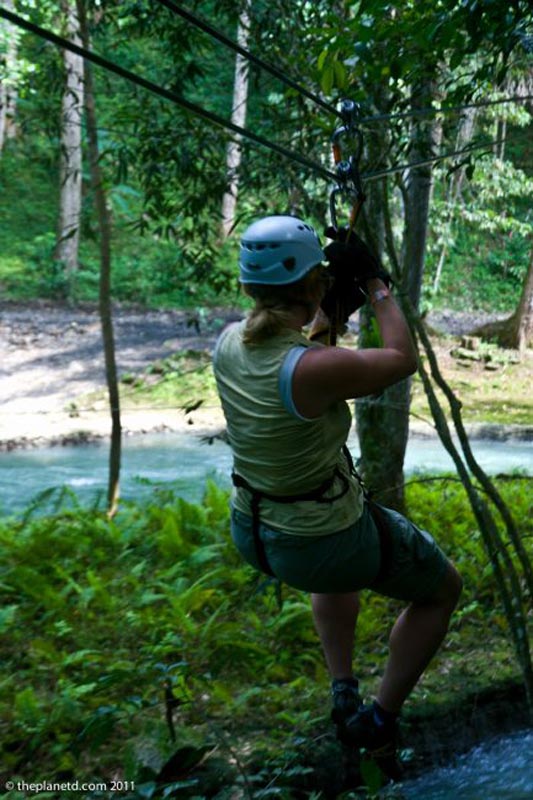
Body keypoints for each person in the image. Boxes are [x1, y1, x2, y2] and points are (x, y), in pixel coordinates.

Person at [212, 215, 462, 780]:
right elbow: (401, 360)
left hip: (254, 527)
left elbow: (299, 353)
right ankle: (380, 718)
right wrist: (375, 286)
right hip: (318, 539)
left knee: (335, 570)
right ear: (309, 286)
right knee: (442, 590)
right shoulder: (311, 368)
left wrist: (328, 312)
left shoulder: (229, 342)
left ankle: (343, 690)